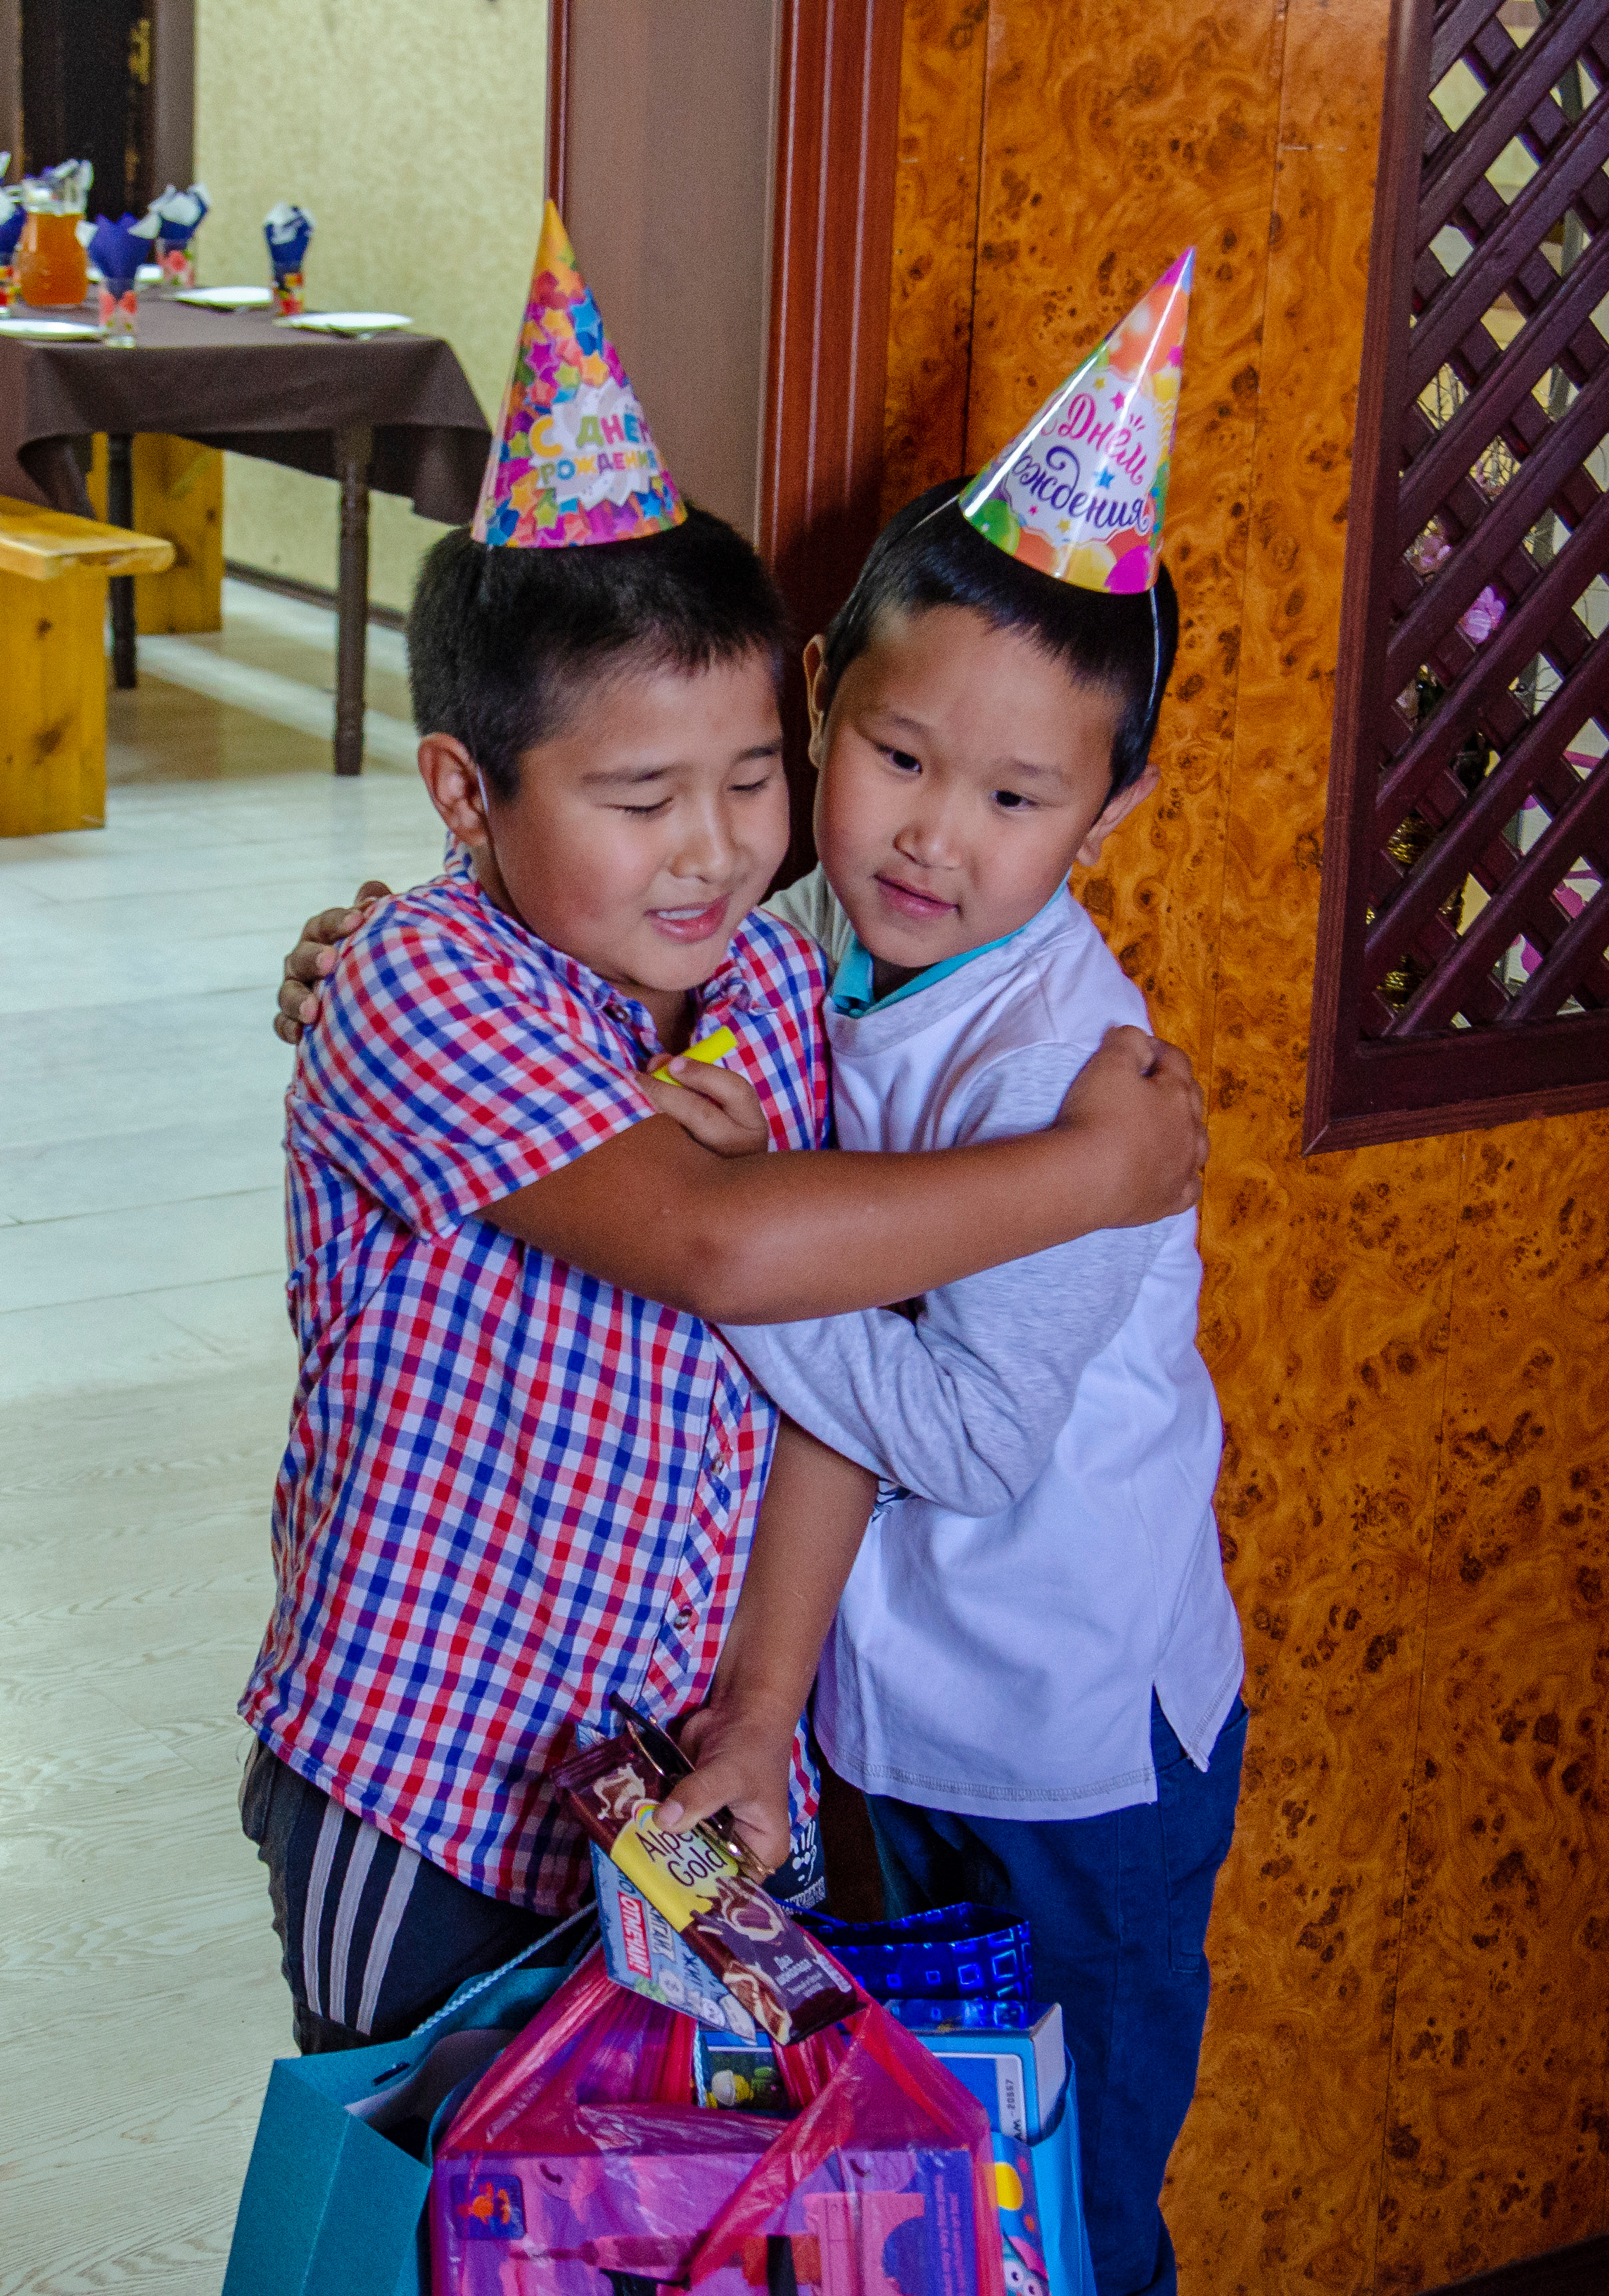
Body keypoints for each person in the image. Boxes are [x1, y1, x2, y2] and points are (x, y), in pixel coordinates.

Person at [246, 204, 1208, 2059]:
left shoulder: (774, 983)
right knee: (418, 2184)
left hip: (685, 1787)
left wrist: (763, 1705)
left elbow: (824, 1393)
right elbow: (724, 1244)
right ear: (466, 788)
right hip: (431, 1769)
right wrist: (1102, 1175)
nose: (713, 847)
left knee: (635, 2209)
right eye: (638, 797)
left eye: (755, 778)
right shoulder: (431, 990)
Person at [656, 264, 1240, 2296]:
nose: (935, 837)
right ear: (822, 695)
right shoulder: (785, 931)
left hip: (1075, 1737)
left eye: (1019, 800)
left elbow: (980, 1439)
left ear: (1114, 810)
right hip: (872, 1725)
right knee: (898, 2179)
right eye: (901, 758)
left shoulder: (1085, 1080)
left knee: (1068, 2197)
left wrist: (725, 1245)